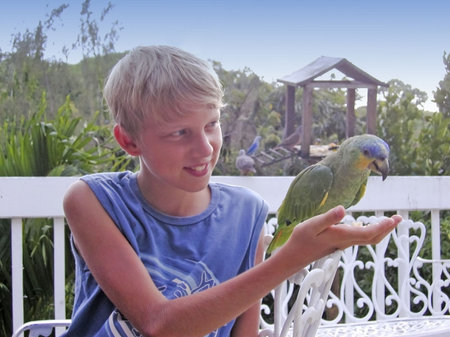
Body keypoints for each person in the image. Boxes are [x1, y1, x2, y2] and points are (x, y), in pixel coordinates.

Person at [62, 45, 401, 337]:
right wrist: (290, 258)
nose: (205, 148)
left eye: (211, 124)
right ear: (129, 140)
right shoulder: (94, 201)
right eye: (180, 132)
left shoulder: (247, 212)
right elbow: (158, 325)